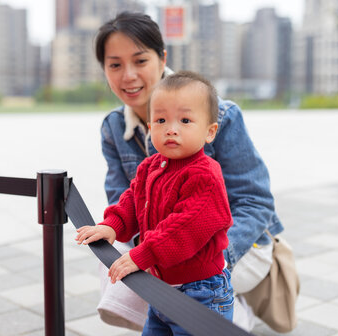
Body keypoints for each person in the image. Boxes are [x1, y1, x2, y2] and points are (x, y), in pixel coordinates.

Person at [94, 11, 284, 332]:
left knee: (165, 292)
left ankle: (234, 312)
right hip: (166, 247)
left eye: (140, 61)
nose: (128, 75)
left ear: (162, 57)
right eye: (115, 65)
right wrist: (126, 236)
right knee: (117, 277)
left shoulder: (218, 113)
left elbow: (255, 203)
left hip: (228, 247)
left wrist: (213, 260)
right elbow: (125, 197)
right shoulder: (114, 126)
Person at [76, 71, 234, 334]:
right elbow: (133, 200)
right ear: (150, 128)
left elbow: (184, 227)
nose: (171, 128)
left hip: (202, 292)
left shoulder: (205, 174)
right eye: (161, 120)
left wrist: (144, 254)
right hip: (161, 286)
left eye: (185, 120)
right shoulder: (151, 166)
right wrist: (112, 225)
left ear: (210, 131)